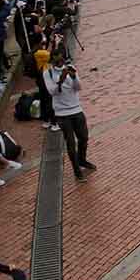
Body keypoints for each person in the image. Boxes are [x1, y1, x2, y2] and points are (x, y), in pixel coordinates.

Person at [44, 47, 96, 182]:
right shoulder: (48, 73)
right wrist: (60, 80)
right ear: (52, 60)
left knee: (84, 137)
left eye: (61, 60)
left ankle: (82, 160)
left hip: (76, 109)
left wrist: (73, 78)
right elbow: (52, 92)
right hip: (62, 114)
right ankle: (77, 171)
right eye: (57, 61)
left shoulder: (71, 67)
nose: (60, 63)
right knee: (71, 143)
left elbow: (78, 88)